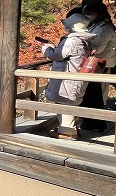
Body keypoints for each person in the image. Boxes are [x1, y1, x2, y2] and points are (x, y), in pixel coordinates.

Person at [40, 11, 95, 139]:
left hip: (67, 78)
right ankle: (73, 129)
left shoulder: (72, 41)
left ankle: (67, 133)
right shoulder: (84, 40)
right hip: (75, 77)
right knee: (69, 103)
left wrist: (47, 49)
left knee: (64, 103)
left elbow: (56, 55)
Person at [79, 2, 116, 131]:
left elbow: (98, 47)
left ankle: (96, 123)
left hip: (100, 63)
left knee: (94, 94)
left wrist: (80, 42)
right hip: (96, 62)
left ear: (97, 13)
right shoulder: (97, 25)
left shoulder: (105, 27)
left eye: (89, 13)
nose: (86, 16)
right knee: (92, 93)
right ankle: (90, 122)